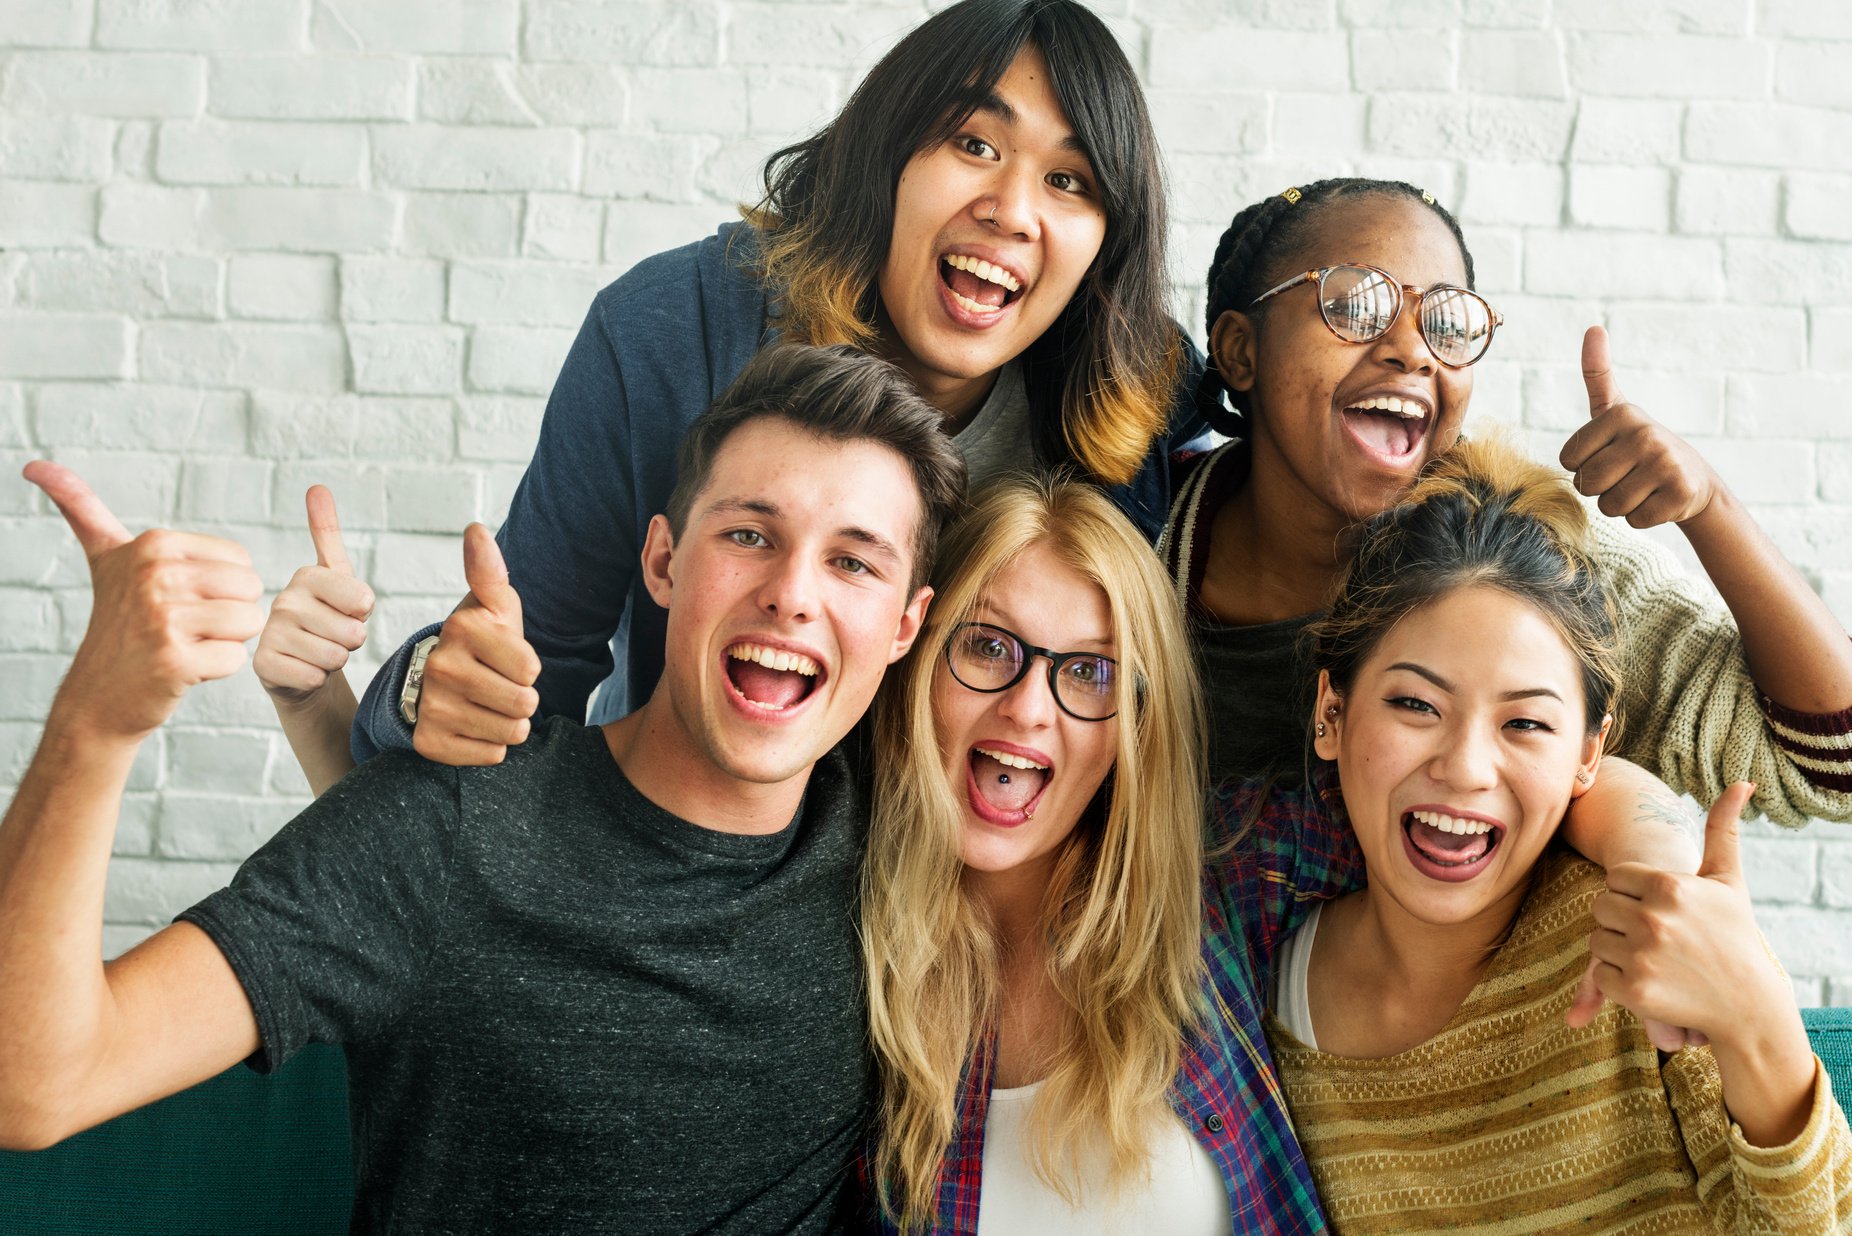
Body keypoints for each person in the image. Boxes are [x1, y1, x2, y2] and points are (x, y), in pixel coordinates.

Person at [0, 344, 966, 1233]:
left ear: (905, 626)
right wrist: (98, 719)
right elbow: (33, 1085)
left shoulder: (903, 848)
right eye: (751, 535)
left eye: (852, 561)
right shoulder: (452, 825)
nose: (794, 591)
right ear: (664, 563)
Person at [254, 0, 1205, 790]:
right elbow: (522, 664)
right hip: (700, 860)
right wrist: (421, 686)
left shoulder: (1137, 394)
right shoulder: (675, 330)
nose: (1013, 209)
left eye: (1070, 180)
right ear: (886, 156)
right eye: (972, 141)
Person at [858, 474, 1701, 1234]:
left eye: (1090, 672)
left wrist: (1658, 872)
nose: (1030, 710)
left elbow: (1489, 797)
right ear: (913, 652)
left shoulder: (1225, 878)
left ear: (1137, 721)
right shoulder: (840, 947)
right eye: (987, 648)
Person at [1259, 437, 1852, 1230]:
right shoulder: (1262, 997)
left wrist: (1761, 1025)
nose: (1467, 768)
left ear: (1588, 754)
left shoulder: (1650, 935)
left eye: (1526, 722)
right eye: (1415, 705)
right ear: (1331, 712)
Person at [1166, 177, 1852, 821]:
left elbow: (1832, 766)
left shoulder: (1529, 559)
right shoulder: (1138, 540)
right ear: (1240, 351)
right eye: (1352, 305)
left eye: (1449, 323)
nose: (1414, 351)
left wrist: (1711, 508)